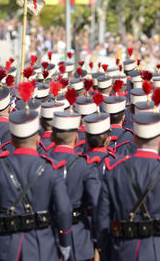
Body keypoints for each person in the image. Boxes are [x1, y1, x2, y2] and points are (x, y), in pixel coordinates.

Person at [97, 111, 160, 261]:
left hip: (123, 251)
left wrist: (105, 251)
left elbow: (102, 217)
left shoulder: (115, 169)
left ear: (135, 139)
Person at [0, 105, 72, 260]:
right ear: (38, 139)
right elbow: (63, 210)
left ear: (11, 139)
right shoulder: (51, 169)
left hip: (6, 247)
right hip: (41, 248)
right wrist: (65, 243)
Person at [49, 110, 101, 261]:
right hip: (79, 238)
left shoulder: (42, 164)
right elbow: (95, 203)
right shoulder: (85, 166)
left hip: (47, 237)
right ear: (77, 138)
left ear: (52, 137)